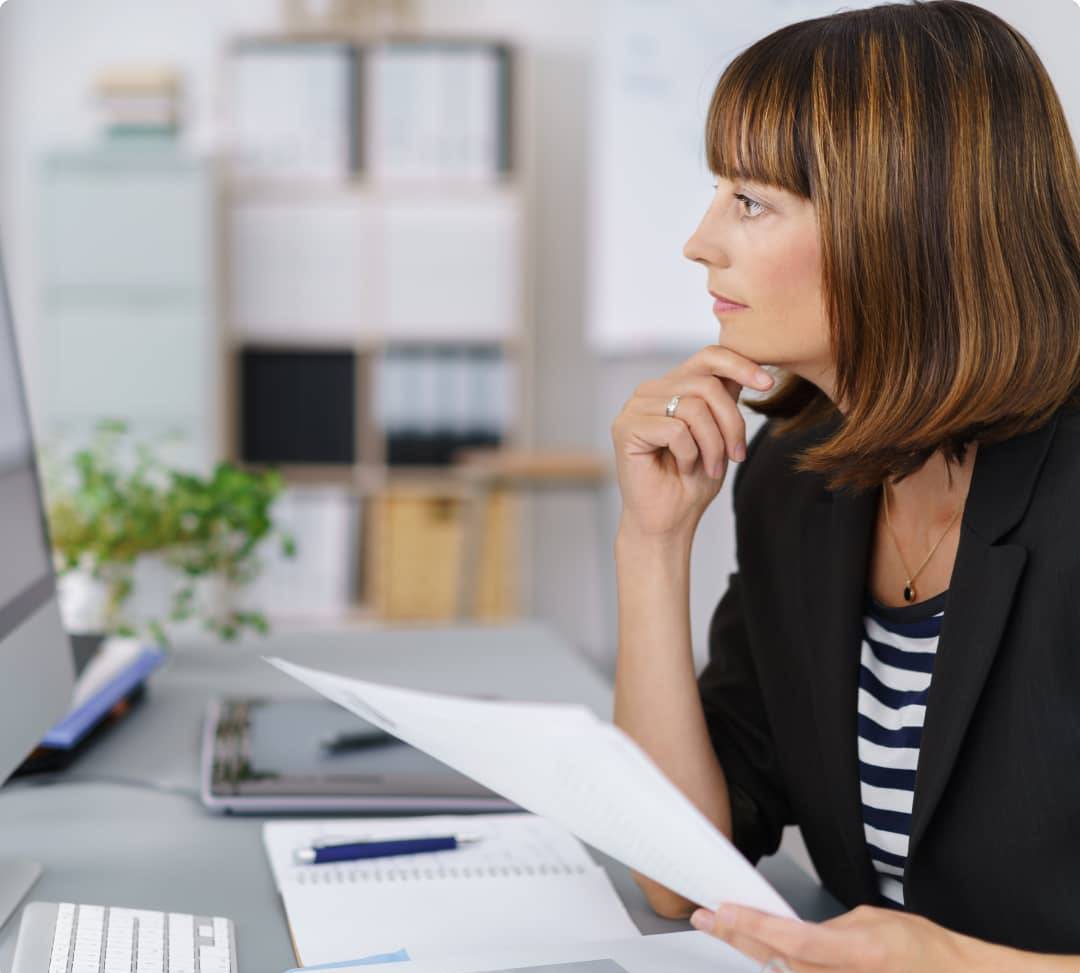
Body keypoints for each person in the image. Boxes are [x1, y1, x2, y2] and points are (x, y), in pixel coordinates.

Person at [609, 1, 1080, 970]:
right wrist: (652, 546)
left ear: (903, 218)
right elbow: (680, 873)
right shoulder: (798, 475)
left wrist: (962, 966)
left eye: (751, 201)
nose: (700, 241)